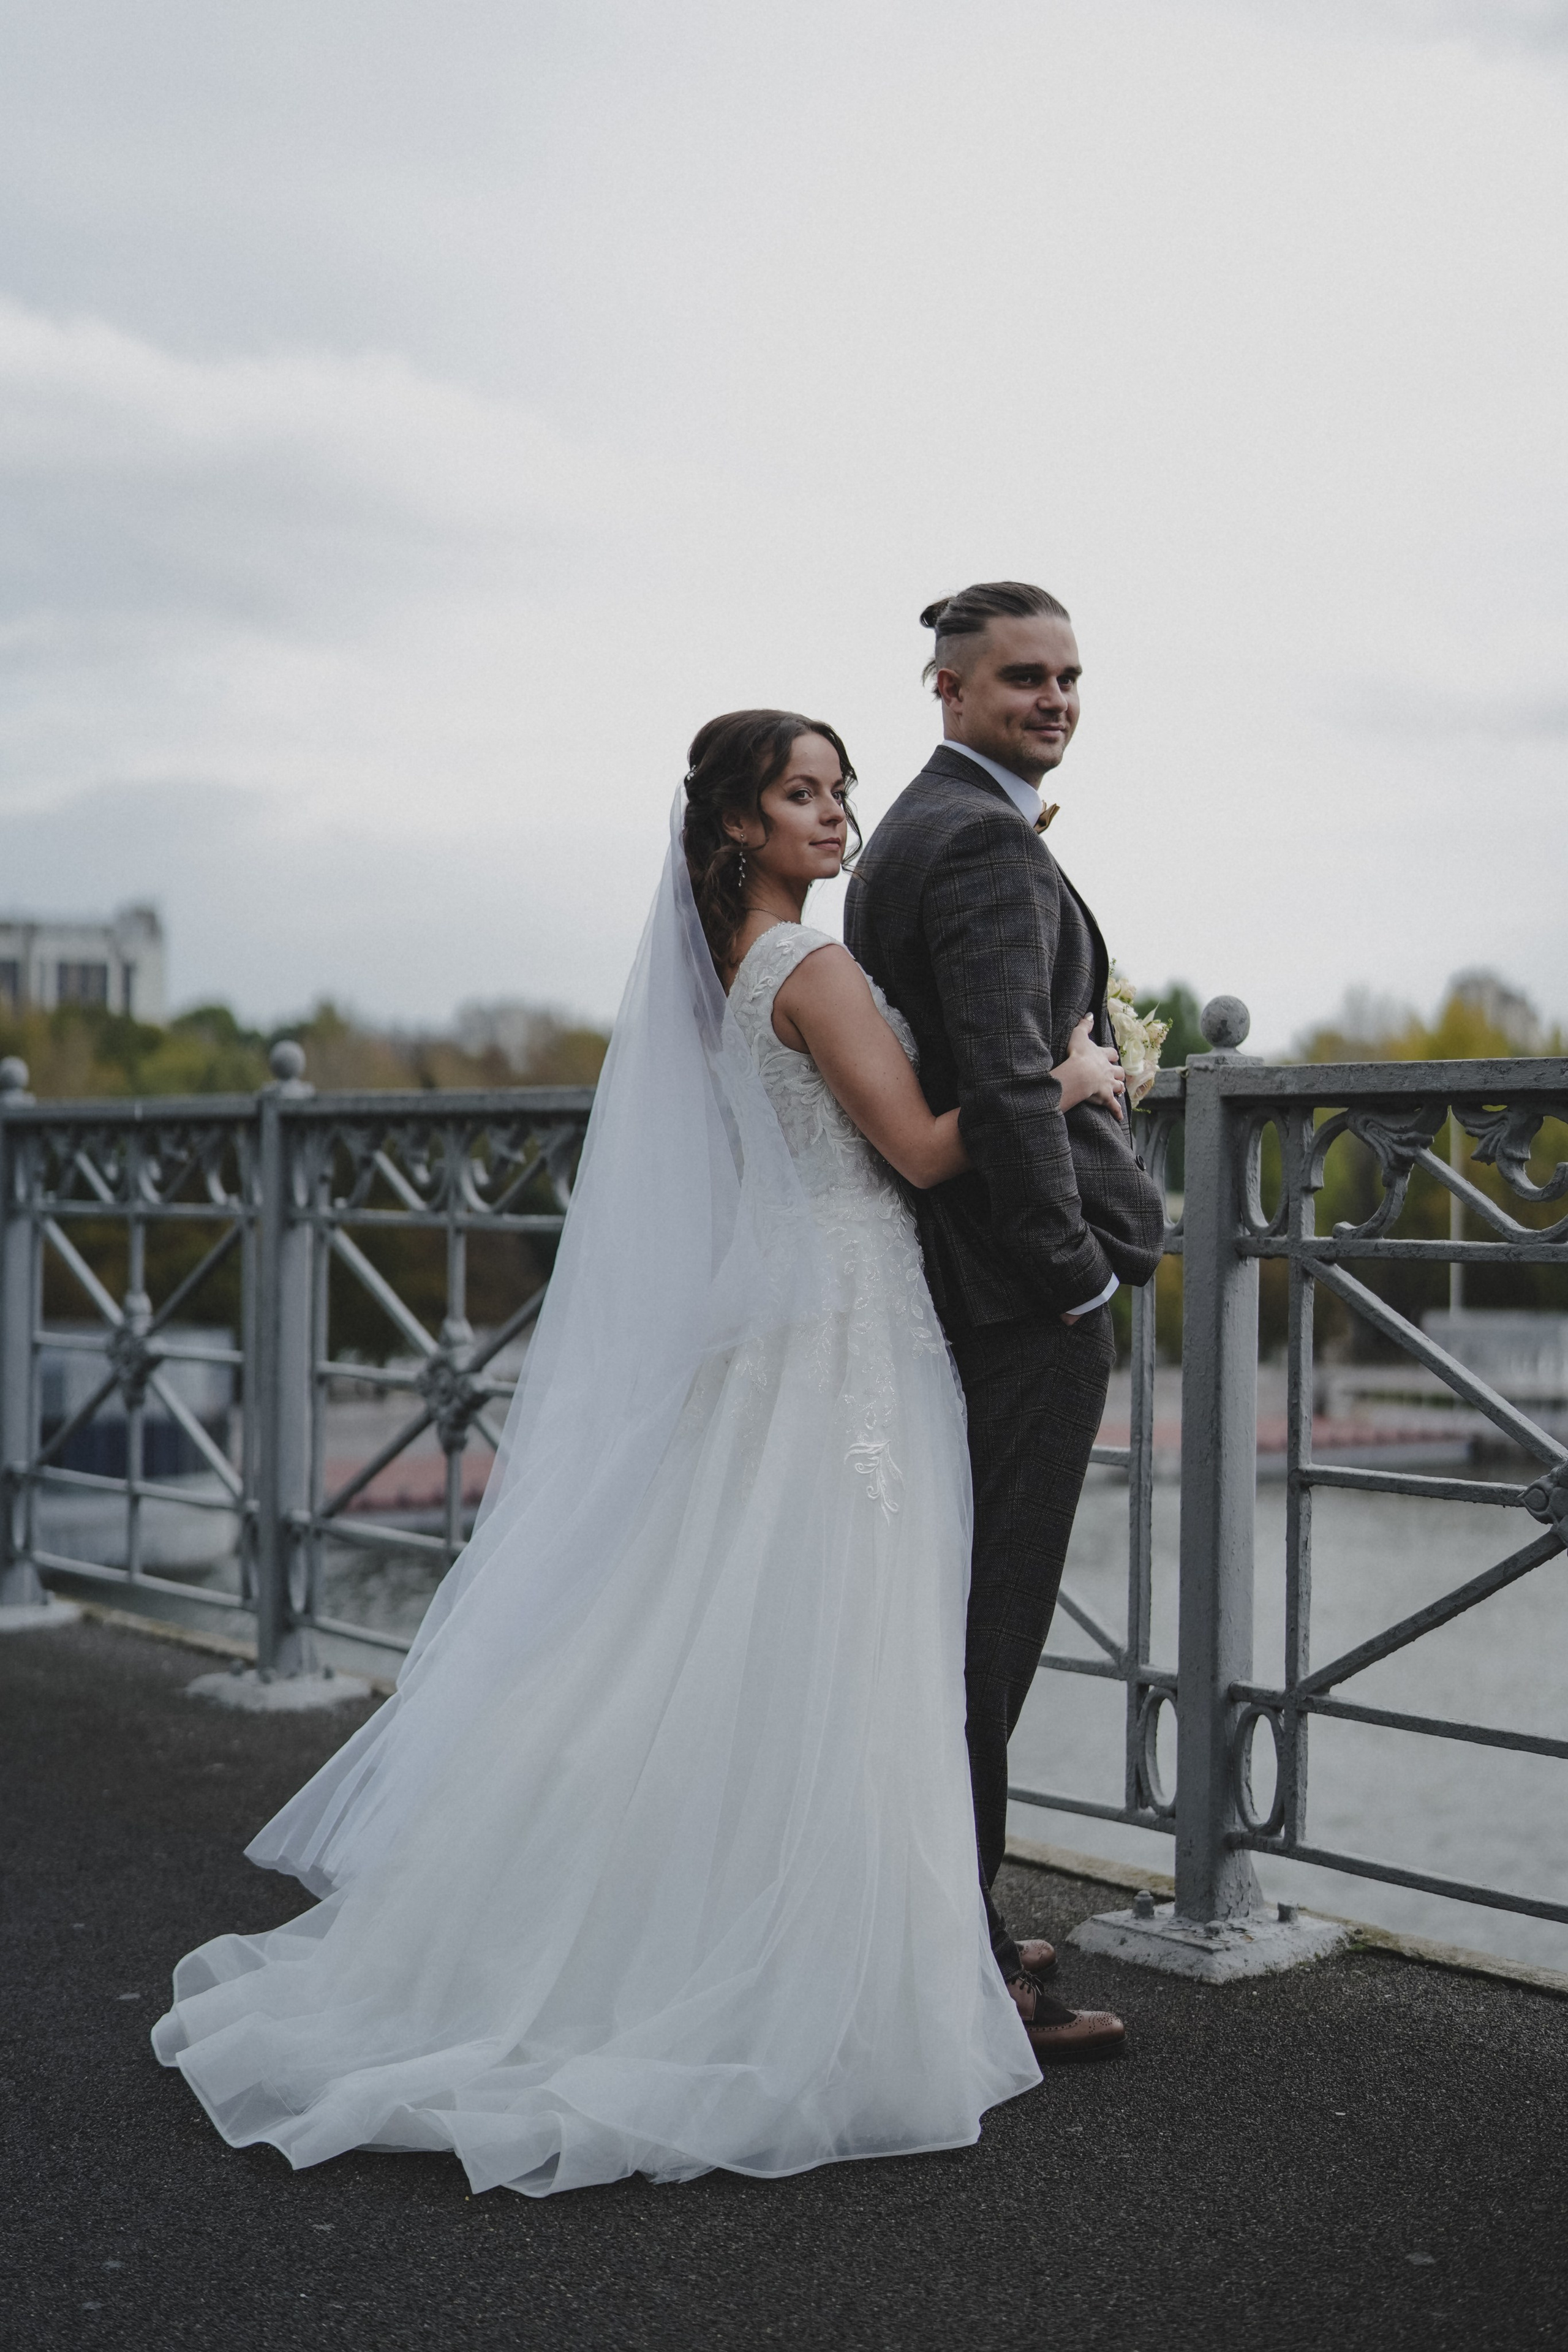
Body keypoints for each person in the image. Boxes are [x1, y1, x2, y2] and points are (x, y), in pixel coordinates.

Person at [154, 705, 1120, 2203]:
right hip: (853, 1331)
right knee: (861, 1640)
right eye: (800, 794)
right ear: (736, 822)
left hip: (802, 1320)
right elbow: (928, 1150)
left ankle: (817, 1934)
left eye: (838, 792)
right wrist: (1065, 1082)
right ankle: (822, 1965)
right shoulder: (808, 961)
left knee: (772, 1639)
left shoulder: (731, 969)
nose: (832, 815)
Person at [845, 582, 1166, 2052]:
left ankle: (933, 1927)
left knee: (945, 1627)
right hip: (1015, 1297)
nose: (1053, 700)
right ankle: (958, 1973)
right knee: (984, 1640)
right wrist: (1072, 1273)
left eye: (1069, 677)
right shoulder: (973, 839)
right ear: (947, 689)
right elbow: (1001, 1080)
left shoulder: (918, 827)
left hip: (957, 1286)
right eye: (1022, 678)